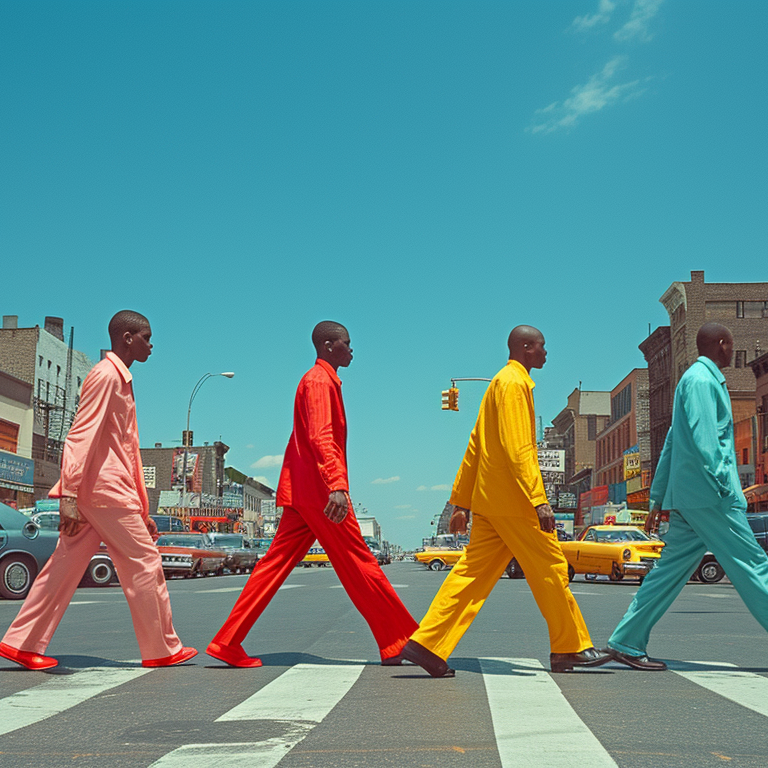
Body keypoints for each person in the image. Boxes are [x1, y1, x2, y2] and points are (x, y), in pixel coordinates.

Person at [206, 321, 418, 667]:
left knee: (273, 567)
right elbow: (322, 436)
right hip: (320, 494)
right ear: (330, 345)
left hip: (301, 492)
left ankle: (227, 640)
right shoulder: (319, 381)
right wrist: (337, 485)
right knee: (361, 563)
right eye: (347, 343)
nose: (352, 349)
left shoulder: (321, 380)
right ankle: (403, 639)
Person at [400, 326, 609, 676]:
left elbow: (475, 446)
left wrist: (462, 502)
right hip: (516, 502)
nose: (546, 353)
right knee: (551, 569)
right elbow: (519, 450)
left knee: (470, 575)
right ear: (526, 348)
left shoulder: (500, 383)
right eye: (542, 346)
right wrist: (538, 500)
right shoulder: (513, 384)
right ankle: (569, 647)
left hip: (490, 501)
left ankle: (427, 644)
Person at [0, 311, 196, 671]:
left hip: (105, 491)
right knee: (145, 561)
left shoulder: (120, 379)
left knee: (64, 564)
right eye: (146, 337)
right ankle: (161, 648)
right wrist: (70, 496)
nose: (151, 345)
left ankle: (20, 643)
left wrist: (143, 510)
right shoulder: (106, 376)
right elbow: (80, 436)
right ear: (126, 338)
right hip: (104, 491)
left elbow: (126, 449)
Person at [606, 322, 768, 670]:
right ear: (722, 344)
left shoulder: (695, 380)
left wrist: (658, 496)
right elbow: (703, 438)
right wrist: (724, 486)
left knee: (668, 572)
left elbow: (672, 445)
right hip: (712, 497)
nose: (732, 353)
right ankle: (627, 640)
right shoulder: (702, 381)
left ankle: (626, 641)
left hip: (692, 498)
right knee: (754, 566)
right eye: (731, 347)